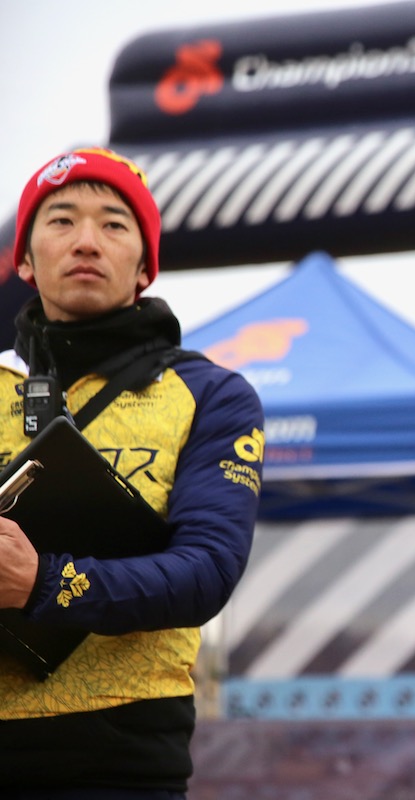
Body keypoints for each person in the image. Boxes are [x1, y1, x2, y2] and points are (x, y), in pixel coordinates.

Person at [0, 147, 264, 797]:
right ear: (25, 260)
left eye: (115, 224)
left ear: (145, 265)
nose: (87, 240)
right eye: (61, 220)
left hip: (120, 756)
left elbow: (206, 572)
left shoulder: (212, 394)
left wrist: (44, 583)